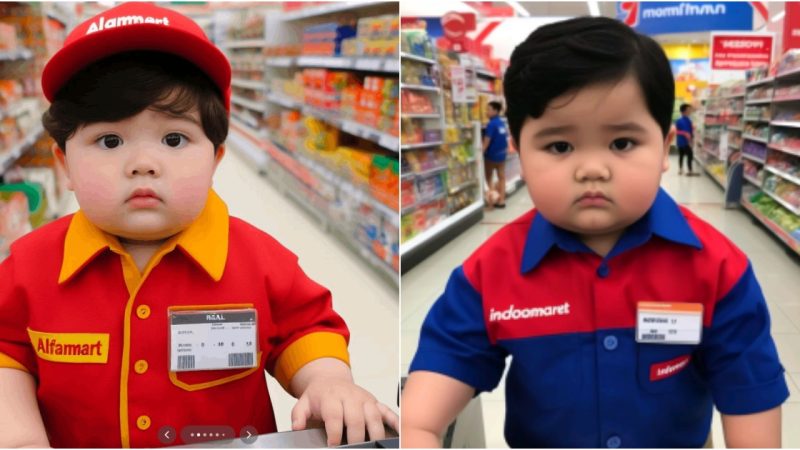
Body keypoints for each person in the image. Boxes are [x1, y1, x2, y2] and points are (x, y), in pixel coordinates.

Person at [0, 3, 397, 448]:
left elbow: (307, 328)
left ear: (215, 159)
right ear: (63, 165)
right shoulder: (28, 267)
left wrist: (329, 382)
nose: (143, 164)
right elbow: (7, 350)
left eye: (174, 139)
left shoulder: (258, 259)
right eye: (109, 140)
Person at [402, 16, 787, 448]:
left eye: (622, 143)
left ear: (664, 147)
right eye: (559, 146)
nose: (591, 168)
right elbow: (422, 413)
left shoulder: (718, 268)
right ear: (518, 150)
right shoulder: (489, 274)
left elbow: (749, 397)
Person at [483, 101, 509, 208]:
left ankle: (491, 202)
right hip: (502, 154)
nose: (486, 112)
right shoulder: (501, 122)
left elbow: (487, 141)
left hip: (491, 156)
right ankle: (502, 200)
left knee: (489, 177)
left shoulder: (491, 124)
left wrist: (481, 153)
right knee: (501, 177)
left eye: (488, 109)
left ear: (495, 111)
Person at [675, 103, 699, 176]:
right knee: (689, 155)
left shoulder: (688, 120)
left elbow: (690, 130)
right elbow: (676, 131)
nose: (690, 111)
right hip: (683, 141)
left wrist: (692, 128)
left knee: (682, 155)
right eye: (688, 110)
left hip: (686, 141)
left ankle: (681, 169)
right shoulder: (679, 120)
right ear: (684, 111)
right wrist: (684, 133)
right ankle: (689, 170)